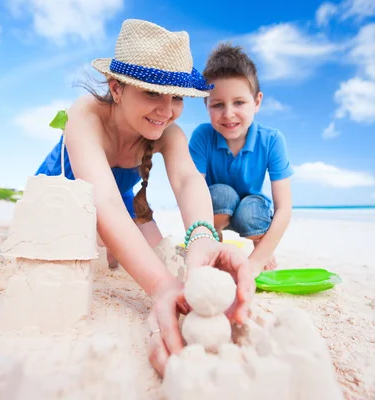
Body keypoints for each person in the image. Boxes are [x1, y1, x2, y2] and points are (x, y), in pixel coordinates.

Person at [35, 20, 254, 376]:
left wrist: (200, 238)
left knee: (151, 246)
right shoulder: (86, 113)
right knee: (73, 239)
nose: (166, 110)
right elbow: (99, 201)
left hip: (116, 198)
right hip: (65, 190)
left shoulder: (167, 132)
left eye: (177, 97)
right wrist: (163, 286)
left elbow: (186, 180)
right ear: (116, 88)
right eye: (152, 93)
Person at [189, 43, 294, 273]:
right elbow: (191, 190)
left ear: (257, 102)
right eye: (217, 104)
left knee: (250, 211)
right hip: (216, 207)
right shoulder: (202, 136)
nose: (228, 114)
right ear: (206, 104)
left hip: (251, 210)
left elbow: (284, 208)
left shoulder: (272, 140)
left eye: (239, 102)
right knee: (221, 193)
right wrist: (200, 238)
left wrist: (256, 261)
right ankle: (213, 242)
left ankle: (261, 243)